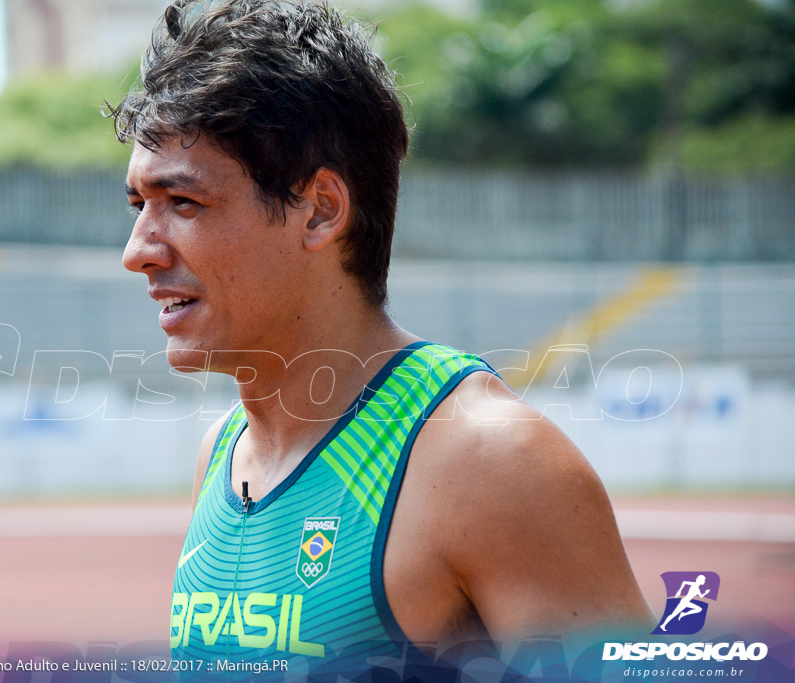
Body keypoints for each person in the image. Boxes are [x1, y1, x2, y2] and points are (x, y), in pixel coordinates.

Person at [109, 0, 653, 677]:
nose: (138, 250)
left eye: (183, 202)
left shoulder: (488, 460)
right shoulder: (221, 456)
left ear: (320, 210)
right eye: (140, 205)